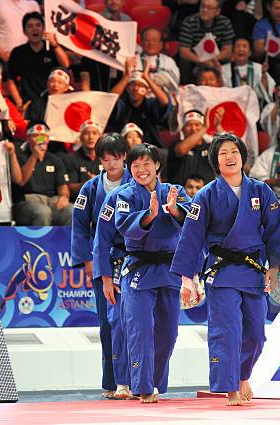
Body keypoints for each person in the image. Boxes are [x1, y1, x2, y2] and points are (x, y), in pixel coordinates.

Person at [170, 132, 280, 406]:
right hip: (221, 271)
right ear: (216, 160)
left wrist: (273, 268)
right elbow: (191, 237)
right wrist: (186, 279)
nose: (229, 156)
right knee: (227, 331)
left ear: (242, 157)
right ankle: (230, 387)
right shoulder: (206, 195)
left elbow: (276, 230)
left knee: (257, 335)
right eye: (223, 152)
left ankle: (243, 374)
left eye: (234, 152)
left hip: (252, 270)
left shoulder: (261, 191)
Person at [114, 144, 192, 403]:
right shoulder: (124, 195)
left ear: (157, 166)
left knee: (168, 333)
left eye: (147, 164)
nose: (141, 170)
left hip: (169, 269)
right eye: (135, 166)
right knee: (140, 329)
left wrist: (174, 209)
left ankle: (155, 382)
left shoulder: (175, 192)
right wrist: (150, 214)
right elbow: (125, 227)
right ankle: (144, 386)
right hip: (139, 268)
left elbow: (193, 221)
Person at [72, 133, 133, 400]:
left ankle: (137, 379)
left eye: (116, 158)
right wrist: (88, 260)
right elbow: (79, 227)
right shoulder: (90, 188)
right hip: (103, 257)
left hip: (135, 256)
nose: (111, 164)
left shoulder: (140, 181)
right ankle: (111, 382)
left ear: (124, 157)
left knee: (136, 322)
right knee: (108, 323)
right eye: (105, 159)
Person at [13, 122, 72, 226]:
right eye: (35, 136)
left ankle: (70, 242)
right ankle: (39, 243)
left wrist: (64, 196)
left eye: (43, 136)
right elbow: (21, 181)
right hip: (27, 200)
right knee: (43, 212)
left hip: (50, 200)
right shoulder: (20, 157)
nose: (40, 139)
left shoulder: (55, 159)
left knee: (72, 211)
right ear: (28, 138)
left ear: (48, 139)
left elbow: (63, 186)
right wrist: (34, 157)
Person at [7, 12, 70, 108]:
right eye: (30, 26)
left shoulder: (51, 48)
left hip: (53, 101)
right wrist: (18, 102)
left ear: (43, 29)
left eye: (38, 25)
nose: (34, 29)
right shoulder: (18, 52)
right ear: (24, 31)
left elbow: (65, 65)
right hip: (29, 103)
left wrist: (55, 45)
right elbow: (10, 79)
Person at [110, 60, 172, 148]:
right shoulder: (122, 104)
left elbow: (165, 101)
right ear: (127, 88)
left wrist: (147, 78)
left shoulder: (150, 104)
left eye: (140, 85)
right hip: (123, 148)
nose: (135, 88)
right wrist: (126, 77)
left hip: (149, 148)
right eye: (132, 85)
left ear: (146, 90)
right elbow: (111, 98)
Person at [178, 0, 235, 84]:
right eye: (202, 6)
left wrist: (212, 60)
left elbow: (227, 51)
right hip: (195, 59)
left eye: (209, 8)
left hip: (217, 59)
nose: (204, 10)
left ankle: (226, 88)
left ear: (217, 11)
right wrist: (202, 61)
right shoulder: (189, 22)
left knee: (230, 60)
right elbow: (184, 51)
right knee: (184, 61)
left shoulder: (225, 23)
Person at [167, 110, 218, 185]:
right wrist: (204, 128)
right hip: (180, 195)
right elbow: (182, 150)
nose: (193, 128)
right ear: (183, 129)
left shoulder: (211, 148)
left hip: (206, 195)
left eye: (197, 125)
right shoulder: (176, 145)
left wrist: (219, 127)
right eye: (189, 125)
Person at [221, 37, 274, 106]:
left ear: (250, 52)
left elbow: (268, 91)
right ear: (233, 51)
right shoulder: (224, 69)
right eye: (238, 46)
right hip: (232, 107)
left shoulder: (258, 68)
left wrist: (264, 75)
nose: (241, 49)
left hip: (254, 108)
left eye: (244, 46)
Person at [134, 27, 180, 96]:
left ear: (161, 44)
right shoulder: (133, 60)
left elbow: (173, 82)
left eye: (154, 40)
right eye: (147, 40)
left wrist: (148, 77)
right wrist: (161, 77)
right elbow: (133, 81)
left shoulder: (168, 61)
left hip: (163, 100)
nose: (151, 43)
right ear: (141, 43)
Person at [64, 120, 104, 200]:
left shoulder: (108, 158)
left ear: (100, 137)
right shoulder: (71, 158)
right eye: (86, 133)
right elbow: (70, 187)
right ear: (81, 138)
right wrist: (88, 183)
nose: (91, 137)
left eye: (94, 133)